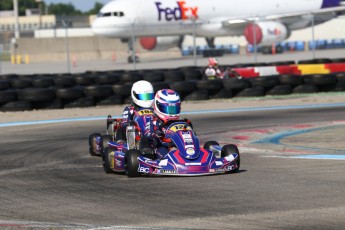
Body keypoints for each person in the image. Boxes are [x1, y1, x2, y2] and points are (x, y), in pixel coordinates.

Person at [142, 89, 193, 159]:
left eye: (174, 109)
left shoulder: (182, 122)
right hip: (162, 147)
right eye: (168, 109)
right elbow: (147, 135)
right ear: (158, 106)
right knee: (163, 152)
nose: (172, 113)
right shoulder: (154, 122)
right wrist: (156, 134)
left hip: (183, 147)